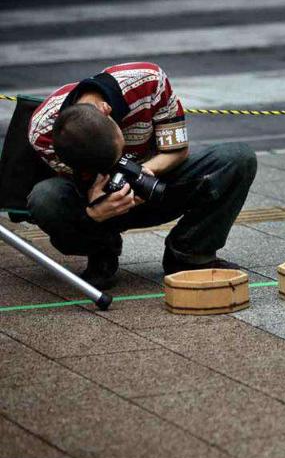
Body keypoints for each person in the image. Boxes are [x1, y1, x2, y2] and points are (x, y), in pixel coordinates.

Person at [27, 62, 257, 290]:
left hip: (155, 177)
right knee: (45, 198)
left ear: (107, 111)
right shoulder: (43, 132)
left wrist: (144, 173)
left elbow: (177, 150)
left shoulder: (148, 82)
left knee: (237, 158)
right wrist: (95, 212)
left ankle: (190, 253)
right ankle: (101, 253)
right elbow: (69, 194)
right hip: (90, 196)